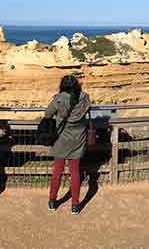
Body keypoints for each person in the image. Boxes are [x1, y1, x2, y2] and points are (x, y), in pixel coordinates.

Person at [45, 75, 91, 215]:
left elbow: (47, 114)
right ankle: (75, 205)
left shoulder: (59, 99)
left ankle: (53, 201)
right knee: (75, 172)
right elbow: (87, 111)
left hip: (61, 140)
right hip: (77, 139)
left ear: (63, 86)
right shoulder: (85, 98)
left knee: (57, 171)